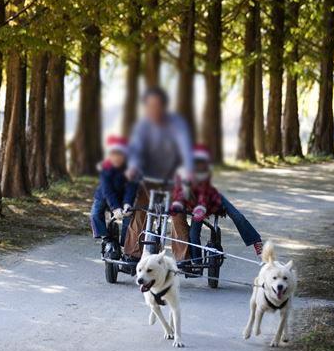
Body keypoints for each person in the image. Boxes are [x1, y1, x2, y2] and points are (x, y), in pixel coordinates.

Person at [123, 87, 195, 262]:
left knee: (177, 214)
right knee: (140, 209)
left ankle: (183, 258)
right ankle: (133, 253)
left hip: (173, 180)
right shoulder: (142, 126)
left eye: (157, 104)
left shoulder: (177, 124)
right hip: (148, 180)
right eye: (149, 105)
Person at [170, 144, 263, 263]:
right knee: (193, 235)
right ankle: (197, 264)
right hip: (195, 206)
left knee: (237, 216)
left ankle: (256, 241)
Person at [90, 135, 138, 256]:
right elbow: (107, 191)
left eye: (120, 155)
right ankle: (105, 237)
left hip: (123, 198)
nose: (116, 158)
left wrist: (127, 203)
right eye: (113, 155)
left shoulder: (130, 169)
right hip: (104, 196)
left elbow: (131, 187)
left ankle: (126, 243)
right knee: (95, 214)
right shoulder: (106, 168)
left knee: (130, 215)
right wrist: (115, 208)